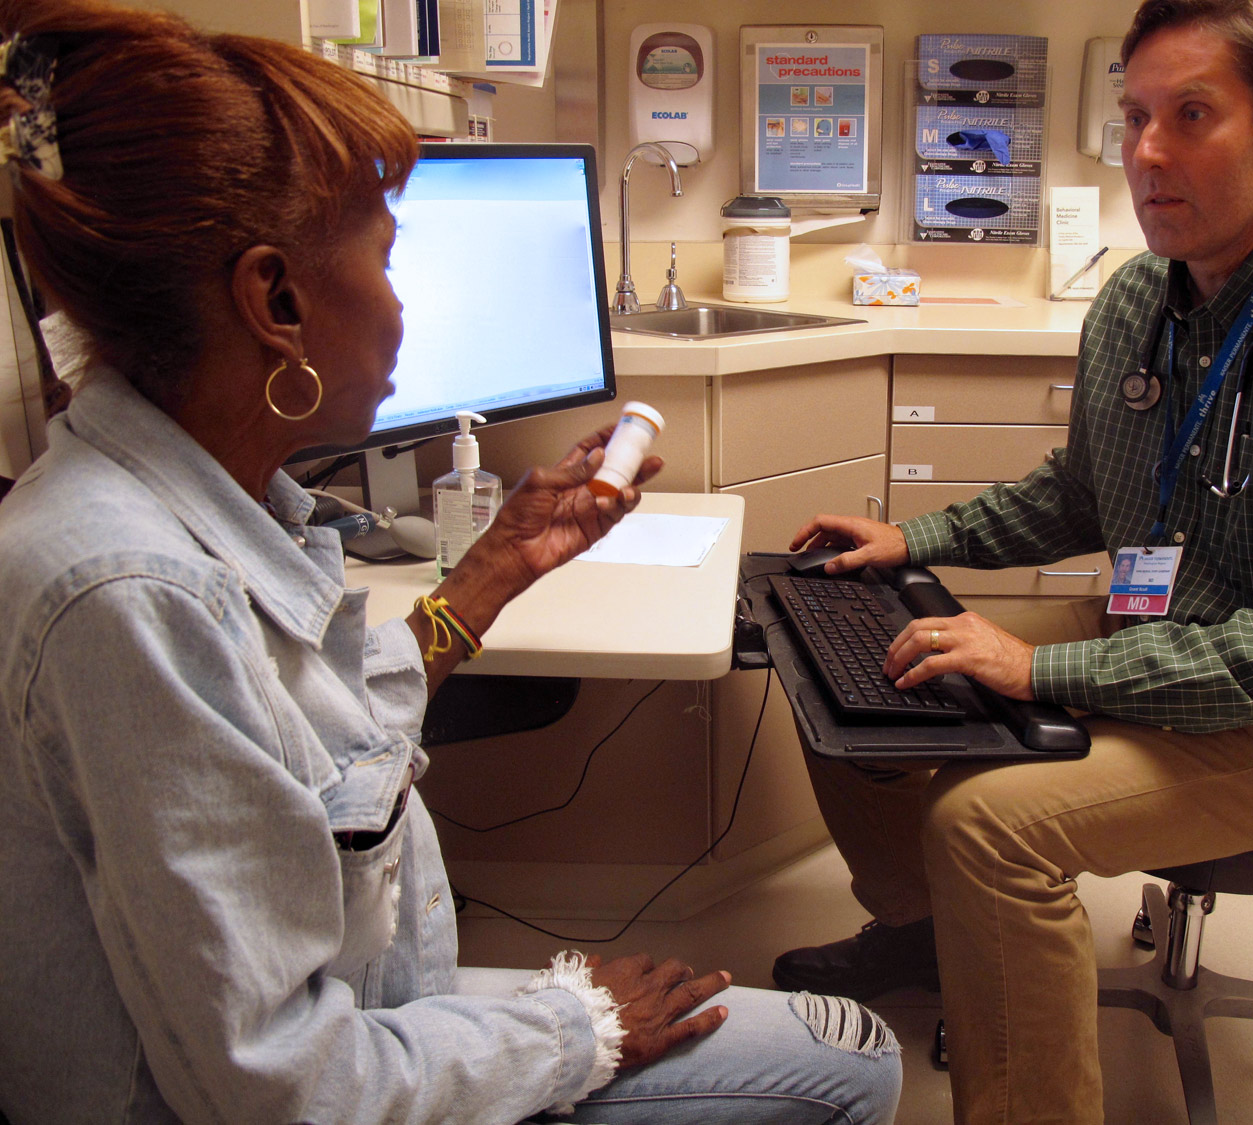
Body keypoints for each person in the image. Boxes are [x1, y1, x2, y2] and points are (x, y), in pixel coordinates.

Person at [0, 3, 903, 1123]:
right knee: (852, 1062)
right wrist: (576, 1027)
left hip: (366, 1012)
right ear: (274, 301)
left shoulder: (198, 509)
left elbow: (322, 747)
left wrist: (497, 569)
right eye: (388, 260)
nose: (403, 304)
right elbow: (286, 1087)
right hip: (306, 1082)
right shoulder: (132, 594)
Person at [771, 1, 1253, 1121]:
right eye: (1136, 116)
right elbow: (1080, 494)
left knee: (986, 826)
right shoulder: (1144, 297)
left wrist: (1042, 671)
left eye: (1192, 115)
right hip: (1167, 629)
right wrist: (916, 540)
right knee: (855, 661)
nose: (1147, 152)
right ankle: (927, 936)